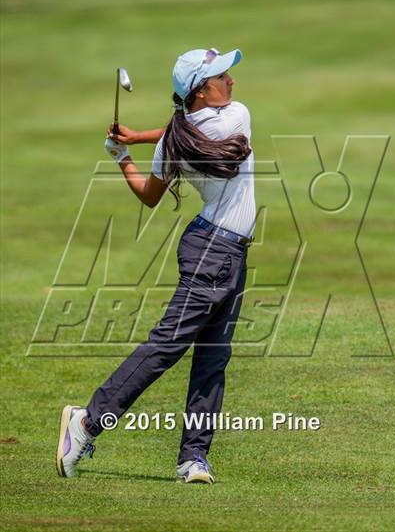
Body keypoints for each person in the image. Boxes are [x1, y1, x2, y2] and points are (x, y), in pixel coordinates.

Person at [56, 48, 256, 484]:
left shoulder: (177, 139)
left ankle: (193, 458)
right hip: (215, 253)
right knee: (168, 345)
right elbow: (184, 131)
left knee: (212, 357)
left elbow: (150, 191)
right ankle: (88, 421)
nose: (233, 81)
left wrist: (124, 151)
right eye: (224, 75)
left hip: (222, 250)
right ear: (203, 90)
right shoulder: (236, 115)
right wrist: (139, 142)